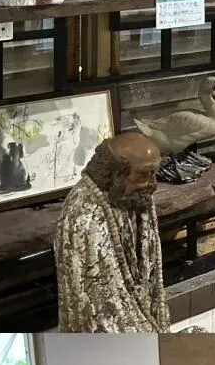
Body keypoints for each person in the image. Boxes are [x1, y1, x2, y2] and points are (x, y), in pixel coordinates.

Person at [55, 133, 170, 333]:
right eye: (143, 175)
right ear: (115, 175)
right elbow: (104, 308)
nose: (153, 184)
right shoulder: (85, 218)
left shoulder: (134, 198)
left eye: (154, 173)